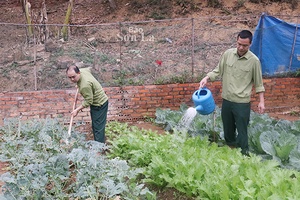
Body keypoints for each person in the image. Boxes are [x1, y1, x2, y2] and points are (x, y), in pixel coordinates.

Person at [199, 30, 265, 156]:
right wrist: (206, 78)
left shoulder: (254, 61)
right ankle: (231, 154)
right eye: (239, 44)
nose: (241, 47)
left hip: (242, 103)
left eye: (244, 45)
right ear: (237, 41)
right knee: (228, 131)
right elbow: (217, 71)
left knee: (242, 132)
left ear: (250, 44)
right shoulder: (228, 54)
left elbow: (259, 83)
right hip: (227, 101)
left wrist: (261, 101)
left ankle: (244, 156)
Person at [66, 65, 109, 143]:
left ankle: (99, 148)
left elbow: (89, 101)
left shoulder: (85, 86)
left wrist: (77, 110)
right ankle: (99, 143)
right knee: (95, 125)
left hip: (99, 104)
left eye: (73, 77)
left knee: (98, 128)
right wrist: (78, 83)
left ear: (78, 73)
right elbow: (89, 69)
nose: (72, 79)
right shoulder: (83, 71)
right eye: (70, 77)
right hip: (96, 102)